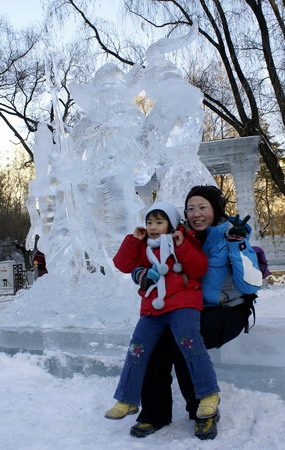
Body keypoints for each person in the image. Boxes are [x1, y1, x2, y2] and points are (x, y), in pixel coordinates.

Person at [130, 185, 263, 440]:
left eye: (203, 207)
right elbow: (149, 263)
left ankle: (204, 411)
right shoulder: (177, 236)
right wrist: (141, 275)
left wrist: (237, 246)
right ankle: (154, 413)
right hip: (186, 307)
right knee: (156, 339)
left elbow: (250, 284)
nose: (196, 214)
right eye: (191, 209)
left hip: (226, 310)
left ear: (216, 209)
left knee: (184, 336)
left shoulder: (232, 234)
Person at [104, 201, 221, 424]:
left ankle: (208, 395)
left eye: (159, 222)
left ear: (171, 224)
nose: (153, 227)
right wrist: (134, 240)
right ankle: (127, 399)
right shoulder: (143, 245)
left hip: (183, 303)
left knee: (190, 343)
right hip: (153, 307)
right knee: (137, 348)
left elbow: (199, 269)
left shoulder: (184, 241)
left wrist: (182, 245)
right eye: (149, 222)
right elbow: (122, 265)